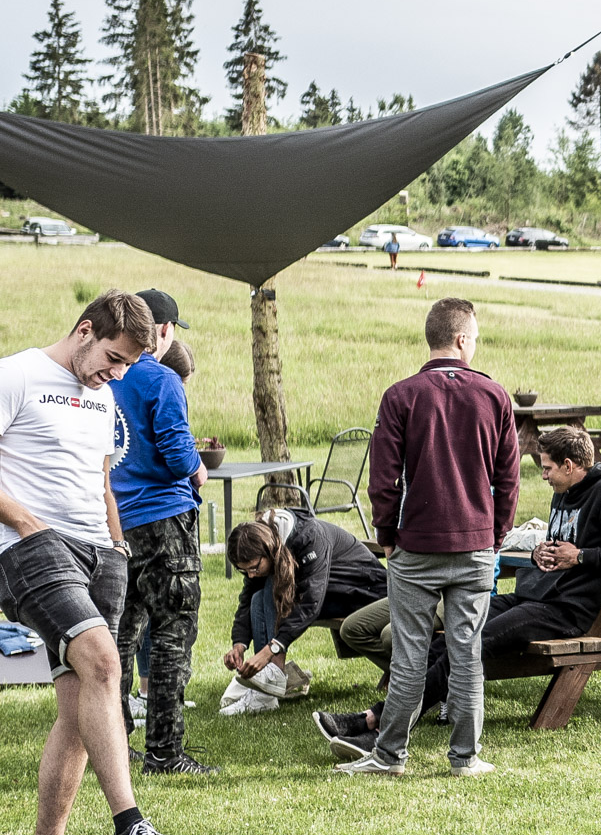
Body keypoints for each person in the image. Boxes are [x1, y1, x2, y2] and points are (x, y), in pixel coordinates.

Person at [0, 289, 217, 835]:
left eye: (129, 365)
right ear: (85, 331)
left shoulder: (104, 394)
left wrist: (116, 544)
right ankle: (131, 830)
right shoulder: (15, 374)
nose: (115, 374)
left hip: (101, 554)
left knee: (81, 705)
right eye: (113, 358)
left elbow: (101, 480)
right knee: (106, 667)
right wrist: (24, 522)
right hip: (32, 549)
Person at [314, 427, 601, 760]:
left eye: (548, 468)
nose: (544, 476)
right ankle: (379, 719)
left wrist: (580, 556)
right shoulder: (564, 492)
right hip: (534, 595)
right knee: (447, 637)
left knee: (470, 643)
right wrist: (541, 553)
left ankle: (378, 725)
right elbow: (562, 541)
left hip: (568, 610)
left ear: (569, 465)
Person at [340, 298, 519, 779]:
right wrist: (497, 533)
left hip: (415, 545)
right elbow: (509, 479)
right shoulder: (495, 396)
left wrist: (386, 535)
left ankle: (390, 754)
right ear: (462, 340)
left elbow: (384, 479)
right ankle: (465, 757)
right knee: (466, 653)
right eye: (475, 338)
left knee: (410, 655)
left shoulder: (401, 396)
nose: (475, 345)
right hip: (476, 543)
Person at [108, 288, 212, 775]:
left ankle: (114, 745)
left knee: (119, 638)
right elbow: (174, 450)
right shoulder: (162, 378)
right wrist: (197, 467)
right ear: (164, 331)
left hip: (114, 520)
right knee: (173, 634)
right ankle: (166, 753)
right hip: (164, 521)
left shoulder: (104, 378)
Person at [223, 507, 388, 694]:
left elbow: (311, 601)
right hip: (330, 592)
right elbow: (247, 597)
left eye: (253, 568)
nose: (251, 575)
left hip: (363, 592)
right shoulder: (265, 545)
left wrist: (273, 648)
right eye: (245, 571)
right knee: (257, 597)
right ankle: (266, 679)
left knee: (272, 586)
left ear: (268, 549)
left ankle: (273, 674)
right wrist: (239, 643)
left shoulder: (310, 537)